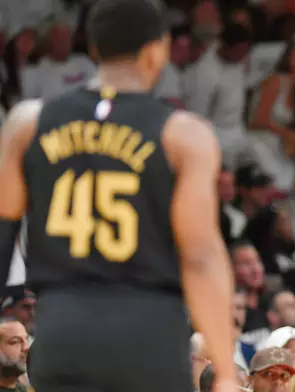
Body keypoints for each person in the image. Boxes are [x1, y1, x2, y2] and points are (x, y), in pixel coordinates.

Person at [0, 0, 237, 391]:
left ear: (93, 48)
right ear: (156, 49)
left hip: (62, 332)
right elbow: (200, 257)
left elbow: (4, 237)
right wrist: (226, 371)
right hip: (148, 338)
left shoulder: (27, 122)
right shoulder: (185, 135)